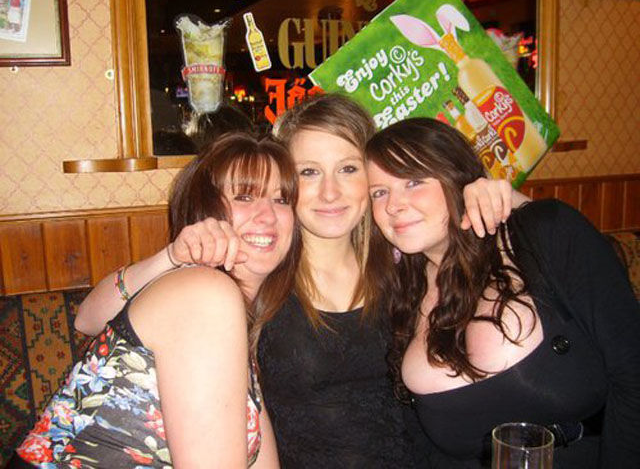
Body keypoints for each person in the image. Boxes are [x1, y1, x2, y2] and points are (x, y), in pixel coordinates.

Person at [73, 94, 522, 468]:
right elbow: (91, 320)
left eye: (348, 169)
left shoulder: (404, 258)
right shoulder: (259, 269)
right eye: (309, 172)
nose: (330, 192)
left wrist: (492, 194)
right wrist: (170, 256)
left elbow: (509, 258)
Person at [364, 117, 640, 468]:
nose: (393, 205)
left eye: (414, 181)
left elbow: (632, 371)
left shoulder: (542, 233)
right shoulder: (398, 291)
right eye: (379, 192)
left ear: (455, 177)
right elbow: (416, 439)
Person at [11, 133, 296, 468]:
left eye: (281, 200)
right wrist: (172, 255)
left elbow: (86, 319)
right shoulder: (204, 296)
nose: (268, 215)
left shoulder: (236, 318)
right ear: (207, 209)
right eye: (245, 196)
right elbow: (86, 319)